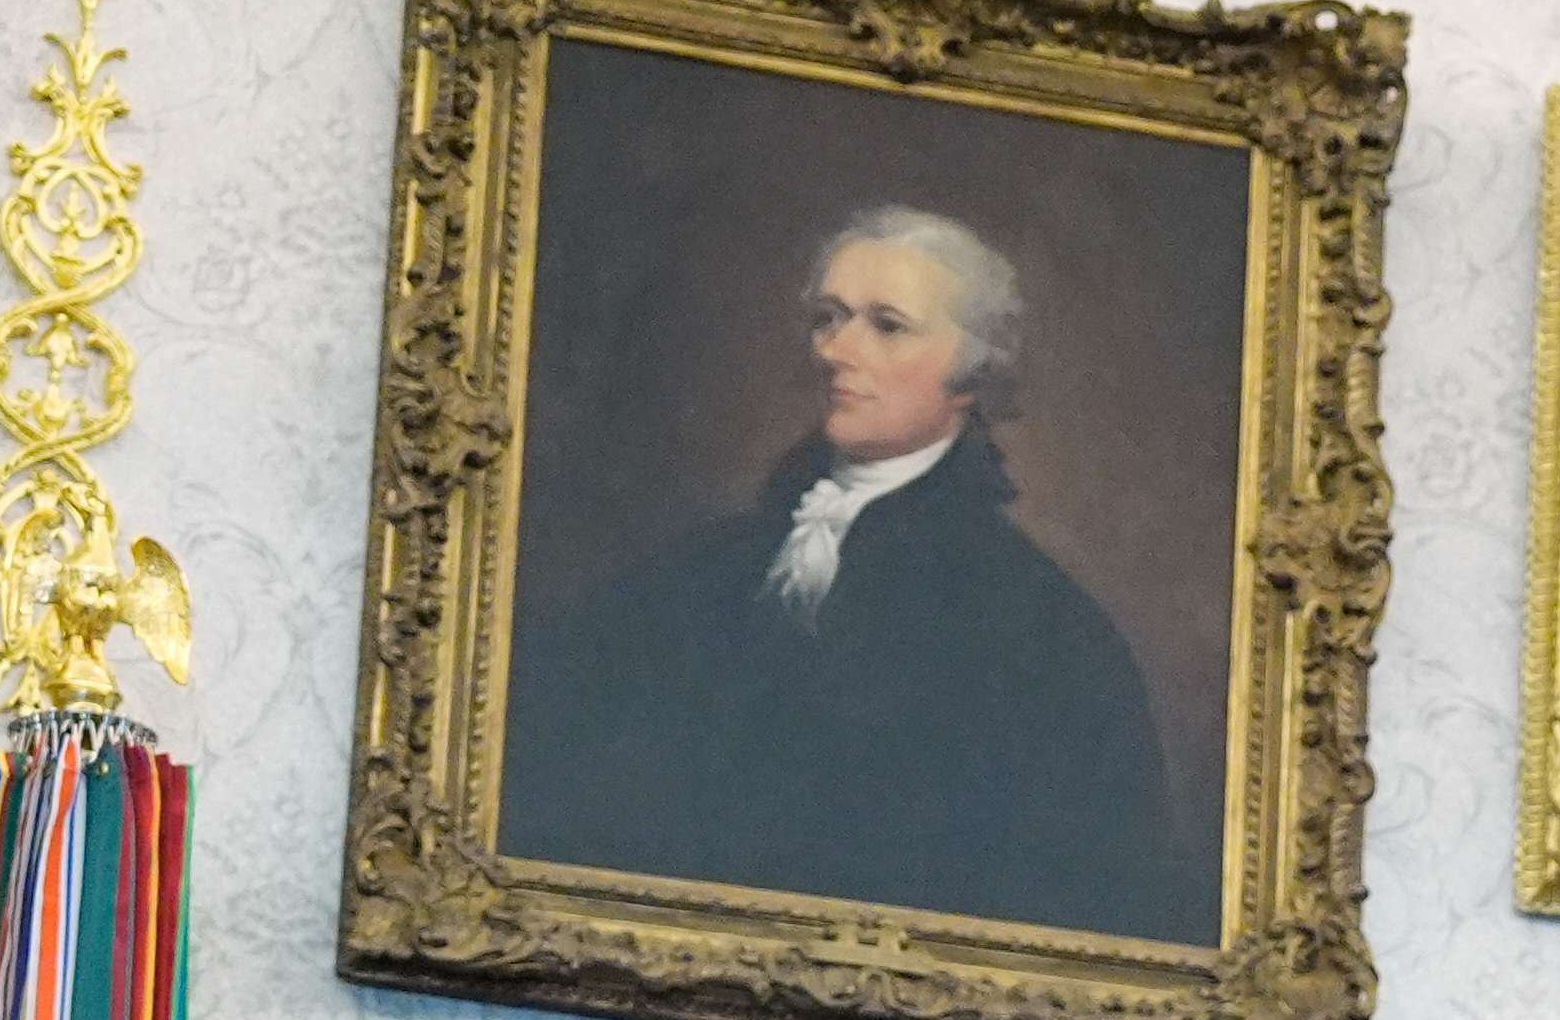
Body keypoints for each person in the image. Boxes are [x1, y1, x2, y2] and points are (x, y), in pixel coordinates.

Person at [496, 202, 1205, 943]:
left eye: (887, 326)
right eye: (828, 318)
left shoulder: (1038, 628)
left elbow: (1076, 892)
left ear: (971, 375)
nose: (836, 350)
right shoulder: (708, 566)